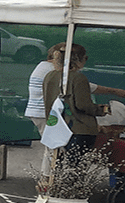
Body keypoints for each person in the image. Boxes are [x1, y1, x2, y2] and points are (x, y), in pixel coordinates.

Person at [42, 43, 110, 179]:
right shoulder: (79, 78)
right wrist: (102, 110)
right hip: (80, 128)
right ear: (79, 59)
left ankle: (56, 187)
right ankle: (72, 189)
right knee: (76, 169)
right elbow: (83, 105)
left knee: (58, 165)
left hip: (58, 127)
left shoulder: (49, 76)